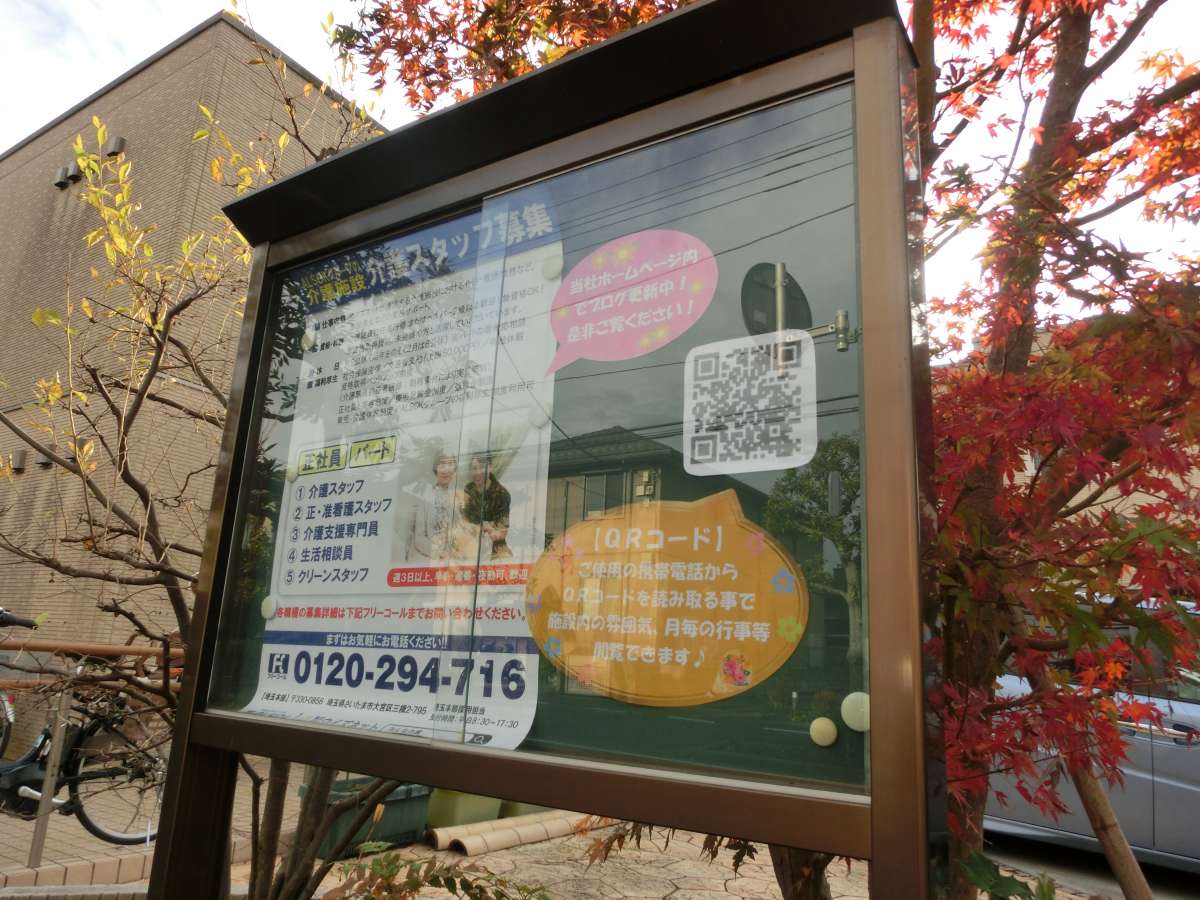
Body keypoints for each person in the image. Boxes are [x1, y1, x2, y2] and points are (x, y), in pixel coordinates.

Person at [407, 452, 471, 561]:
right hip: (430, 559)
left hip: (453, 560)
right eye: (442, 465)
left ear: (454, 471)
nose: (446, 470)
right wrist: (439, 553)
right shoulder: (425, 497)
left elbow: (464, 531)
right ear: (435, 470)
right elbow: (419, 538)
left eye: (450, 464)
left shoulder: (460, 497)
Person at [463, 453, 512, 559]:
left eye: (482, 467)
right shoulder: (468, 489)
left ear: (490, 467)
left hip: (493, 550)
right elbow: (464, 520)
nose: (477, 472)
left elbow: (501, 533)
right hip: (470, 545)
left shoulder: (501, 494)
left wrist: (484, 528)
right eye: (474, 468)